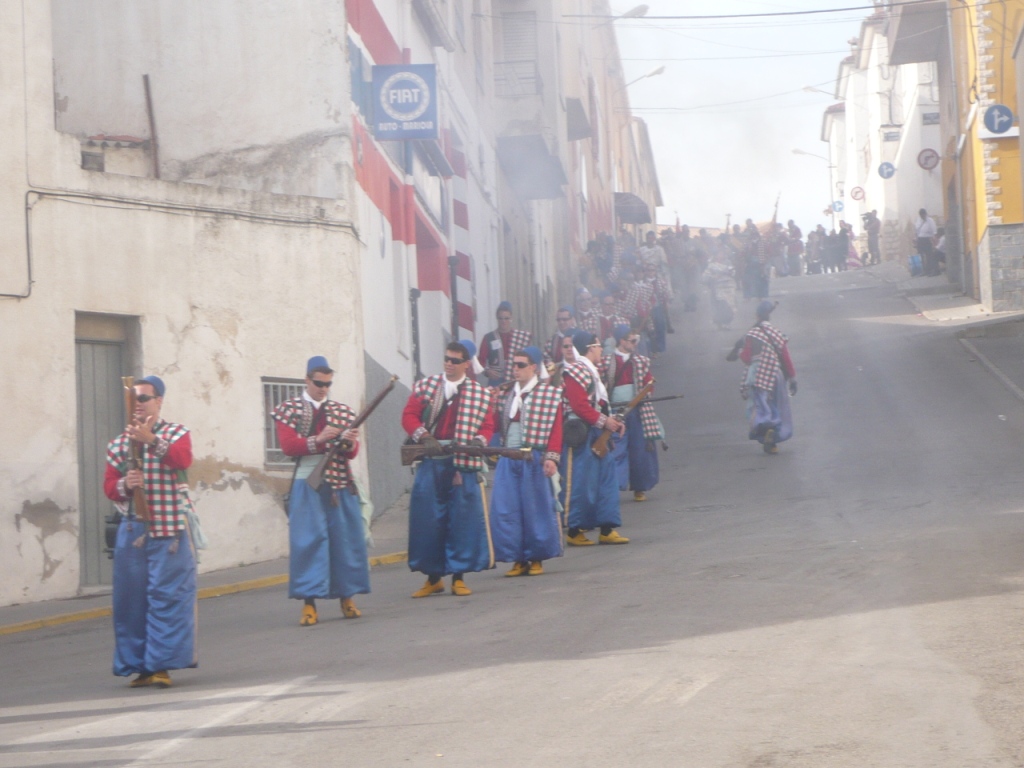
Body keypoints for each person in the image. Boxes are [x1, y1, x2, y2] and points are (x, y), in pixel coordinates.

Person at [104, 375, 196, 689]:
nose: (139, 403)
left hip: (169, 531)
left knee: (167, 599)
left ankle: (163, 664)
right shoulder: (117, 444)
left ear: (159, 401)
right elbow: (109, 488)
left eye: (145, 397)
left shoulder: (177, 434)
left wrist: (152, 441)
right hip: (132, 531)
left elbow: (182, 459)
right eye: (135, 398)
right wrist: (123, 485)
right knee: (131, 601)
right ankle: (140, 664)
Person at [272, 356, 368, 626]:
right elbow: (289, 447)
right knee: (308, 543)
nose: (323, 388)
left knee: (345, 543)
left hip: (339, 482)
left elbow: (352, 453)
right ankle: (309, 603)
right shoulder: (288, 409)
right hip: (307, 482)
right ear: (307, 379)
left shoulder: (342, 411)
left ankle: (347, 598)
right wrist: (320, 439)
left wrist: (348, 443)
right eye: (318, 383)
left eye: (327, 384)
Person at [402, 340, 497, 597]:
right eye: (446, 359)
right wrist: (424, 436)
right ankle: (433, 578)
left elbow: (487, 426)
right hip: (431, 461)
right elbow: (409, 416)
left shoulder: (480, 394)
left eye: (455, 360)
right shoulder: (426, 386)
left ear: (466, 363)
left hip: (463, 463)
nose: (449, 364)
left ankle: (458, 577)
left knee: (461, 521)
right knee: (428, 520)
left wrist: (479, 441)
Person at [491, 346, 564, 577]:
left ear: (533, 367)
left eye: (521, 365)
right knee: (507, 509)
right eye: (513, 365)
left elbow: (556, 428)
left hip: (533, 457)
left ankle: (536, 558)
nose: (515, 369)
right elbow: (496, 425)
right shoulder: (505, 394)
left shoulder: (549, 394)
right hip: (508, 456)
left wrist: (551, 458)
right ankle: (516, 558)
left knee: (536, 508)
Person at [561, 332, 630, 546]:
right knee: (582, 483)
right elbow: (579, 406)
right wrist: (605, 422)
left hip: (596, 431)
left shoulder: (590, 371)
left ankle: (607, 528)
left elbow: (598, 405)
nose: (602, 350)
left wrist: (613, 421)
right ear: (591, 347)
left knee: (605, 480)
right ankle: (574, 530)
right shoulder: (575, 371)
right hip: (582, 434)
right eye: (599, 346)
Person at [602, 326, 662, 502]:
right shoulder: (606, 362)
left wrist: (645, 393)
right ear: (622, 341)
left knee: (640, 449)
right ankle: (615, 486)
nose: (636, 344)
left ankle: (640, 487)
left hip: (637, 411)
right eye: (632, 340)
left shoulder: (642, 361)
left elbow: (649, 383)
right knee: (616, 449)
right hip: (615, 411)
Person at [731, 301, 797, 454]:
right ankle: (772, 440)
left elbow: (747, 358)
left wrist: (740, 351)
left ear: (757, 315)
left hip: (757, 374)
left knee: (762, 407)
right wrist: (793, 378)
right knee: (775, 405)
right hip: (776, 374)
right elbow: (786, 358)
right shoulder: (776, 333)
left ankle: (767, 431)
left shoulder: (752, 334)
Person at [479, 301, 533, 386]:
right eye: (501, 318)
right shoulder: (488, 338)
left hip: (515, 379)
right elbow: (480, 361)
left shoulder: (519, 337)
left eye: (506, 318)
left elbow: (528, 358)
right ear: (497, 318)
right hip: (495, 380)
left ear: (511, 318)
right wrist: (487, 371)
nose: (503, 321)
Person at [916, 209, 939, 276]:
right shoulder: (919, 220)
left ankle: (930, 270)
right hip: (920, 239)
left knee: (929, 255)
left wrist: (934, 239)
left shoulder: (930, 220)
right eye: (921, 215)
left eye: (923, 215)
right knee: (921, 255)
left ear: (925, 214)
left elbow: (934, 230)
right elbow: (917, 229)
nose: (922, 216)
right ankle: (924, 270)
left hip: (927, 238)